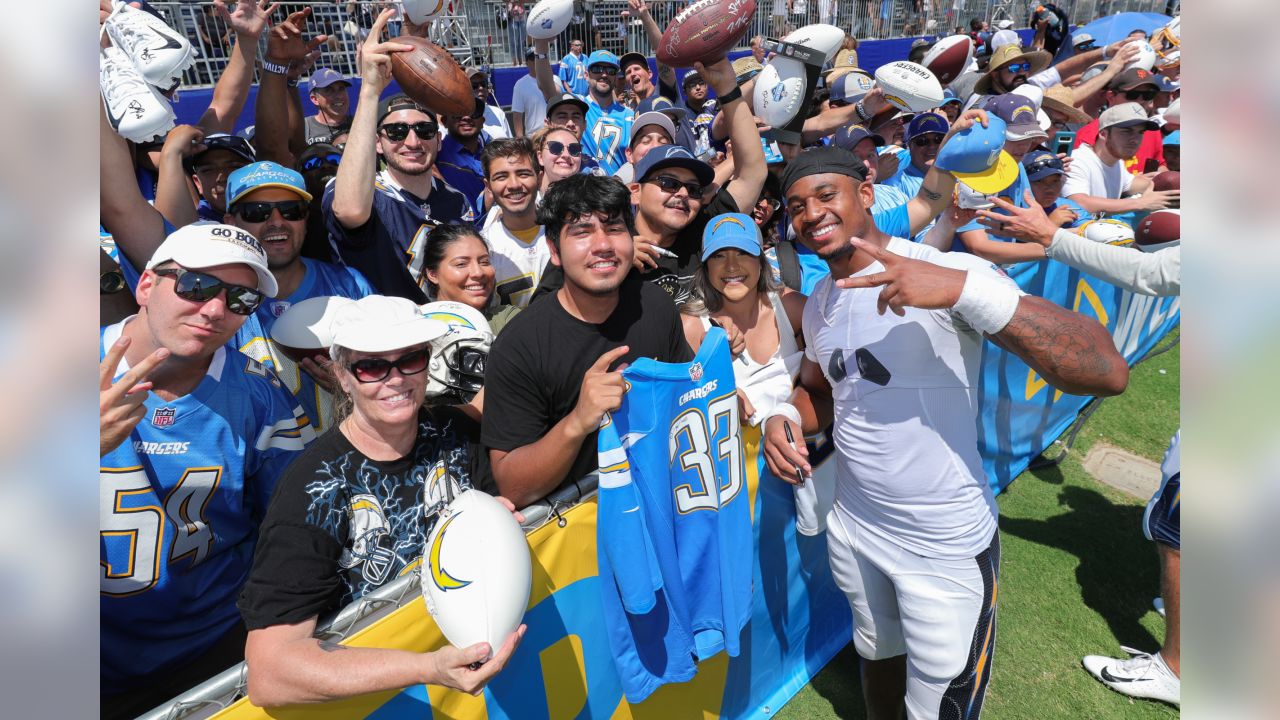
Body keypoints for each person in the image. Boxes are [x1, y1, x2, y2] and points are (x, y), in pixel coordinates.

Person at [763, 145, 1128, 720]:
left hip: (944, 542)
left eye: (825, 195)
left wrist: (961, 291)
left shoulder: (947, 272)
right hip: (857, 525)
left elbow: (1105, 370)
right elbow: (823, 390)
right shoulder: (821, 302)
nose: (810, 214)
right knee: (877, 655)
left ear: (864, 193)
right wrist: (783, 414)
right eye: (796, 205)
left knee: (941, 707)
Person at [237, 295, 524, 708]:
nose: (395, 379)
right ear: (343, 376)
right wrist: (429, 668)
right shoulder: (312, 489)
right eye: (371, 366)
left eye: (410, 359)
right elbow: (270, 673)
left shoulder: (456, 431)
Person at [100, 224, 316, 719]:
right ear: (147, 285)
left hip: (215, 656)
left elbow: (292, 526)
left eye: (240, 299)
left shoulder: (261, 396)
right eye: (196, 285)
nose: (215, 310)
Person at [481, 174, 694, 508]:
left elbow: (687, 393)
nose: (603, 245)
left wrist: (718, 394)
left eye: (614, 228)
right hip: (579, 540)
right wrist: (578, 422)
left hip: (663, 508)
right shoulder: (518, 347)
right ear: (554, 250)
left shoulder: (656, 305)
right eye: (581, 231)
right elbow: (512, 485)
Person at [326, 9, 471, 303]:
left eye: (424, 129)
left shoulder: (457, 200)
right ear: (377, 143)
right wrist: (369, 90)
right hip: (386, 341)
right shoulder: (364, 194)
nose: (412, 140)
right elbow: (351, 211)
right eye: (396, 132)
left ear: (439, 140)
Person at [222, 161, 375, 434]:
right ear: (231, 223)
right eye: (257, 212)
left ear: (306, 219)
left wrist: (357, 384)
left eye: (292, 210)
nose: (277, 221)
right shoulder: (215, 298)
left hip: (343, 465)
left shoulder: (350, 284)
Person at [679, 213, 807, 430]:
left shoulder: (792, 307)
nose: (731, 266)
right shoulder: (690, 327)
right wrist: (716, 389)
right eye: (719, 255)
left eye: (743, 252)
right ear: (706, 266)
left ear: (761, 259)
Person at [532, 40, 633, 175]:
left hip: (616, 192)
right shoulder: (576, 107)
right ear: (586, 75)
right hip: (580, 189)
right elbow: (546, 86)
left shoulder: (630, 116)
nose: (604, 74)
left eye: (610, 70)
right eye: (597, 69)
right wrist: (541, 46)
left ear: (616, 78)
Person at [1062, 103, 1178, 215]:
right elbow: (1078, 203)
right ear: (1103, 134)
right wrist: (1140, 203)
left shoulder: (1116, 162)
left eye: (1140, 132)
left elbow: (1132, 184)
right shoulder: (1077, 161)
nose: (1135, 139)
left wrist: (1174, 185)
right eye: (1127, 131)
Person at [479, 138, 549, 308]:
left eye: (523, 174)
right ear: (488, 186)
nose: (514, 185)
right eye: (501, 177)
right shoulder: (483, 248)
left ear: (539, 178)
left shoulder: (566, 232)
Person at [423, 223, 521, 335]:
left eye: (484, 262)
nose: (478, 272)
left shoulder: (509, 320)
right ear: (433, 274)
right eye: (461, 264)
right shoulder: (415, 329)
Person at [437, 103, 492, 218]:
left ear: (482, 121)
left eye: (474, 113)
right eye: (458, 113)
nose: (467, 117)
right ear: (444, 121)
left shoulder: (494, 155)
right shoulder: (433, 157)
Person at [1022, 150, 1091, 230]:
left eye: (1055, 181)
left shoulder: (1066, 206)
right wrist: (1050, 225)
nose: (1050, 188)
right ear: (1025, 182)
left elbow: (1091, 232)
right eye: (1039, 181)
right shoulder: (1016, 209)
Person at [303, 68, 353, 147]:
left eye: (341, 89)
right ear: (315, 99)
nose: (339, 96)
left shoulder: (359, 124)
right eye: (329, 90)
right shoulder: (303, 128)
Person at [534, 125, 584, 191]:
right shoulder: (527, 200)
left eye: (574, 149)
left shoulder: (593, 199)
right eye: (556, 148)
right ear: (540, 157)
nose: (566, 155)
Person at [512, 48, 547, 138]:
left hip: (555, 133)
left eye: (539, 57)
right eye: (532, 58)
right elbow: (517, 116)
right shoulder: (520, 85)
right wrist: (521, 141)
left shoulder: (556, 80)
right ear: (527, 62)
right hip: (534, 137)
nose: (536, 60)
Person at [469, 69, 513, 140]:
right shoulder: (460, 118)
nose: (481, 88)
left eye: (483, 84)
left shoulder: (498, 113)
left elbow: (510, 142)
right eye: (474, 85)